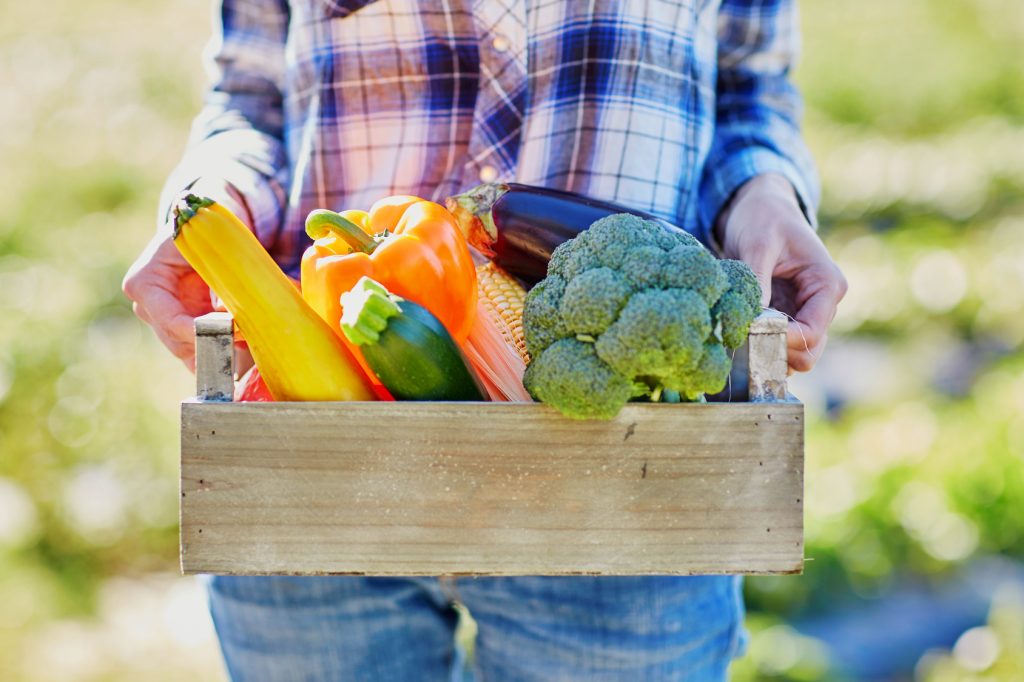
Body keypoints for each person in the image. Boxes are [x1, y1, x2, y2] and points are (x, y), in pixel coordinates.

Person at [124, 1, 847, 679]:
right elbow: (250, 97)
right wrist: (214, 205)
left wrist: (765, 192)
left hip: (627, 467)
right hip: (312, 447)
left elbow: (749, 87)